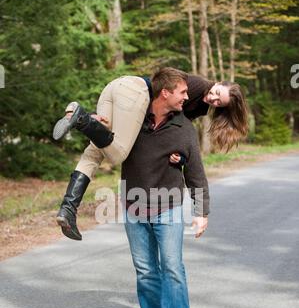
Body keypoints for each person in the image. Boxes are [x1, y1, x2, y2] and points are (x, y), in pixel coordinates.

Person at [53, 69, 248, 240]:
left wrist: (178, 156)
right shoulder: (197, 86)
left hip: (116, 88)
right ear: (219, 82)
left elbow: (173, 130)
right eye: (217, 93)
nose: (213, 99)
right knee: (118, 153)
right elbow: (167, 87)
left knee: (96, 150)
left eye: (219, 103)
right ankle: (83, 120)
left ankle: (68, 209)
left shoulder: (203, 105)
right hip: (135, 93)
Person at [121, 67, 209, 308]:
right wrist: (94, 123)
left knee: (172, 269)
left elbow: (196, 172)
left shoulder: (184, 128)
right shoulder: (133, 119)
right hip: (134, 207)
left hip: (168, 207)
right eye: (183, 92)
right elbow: (107, 141)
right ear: (165, 93)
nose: (188, 97)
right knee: (145, 272)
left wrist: (201, 211)